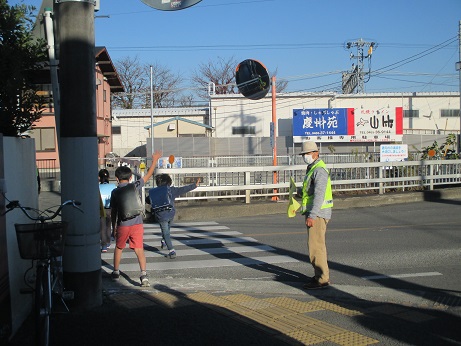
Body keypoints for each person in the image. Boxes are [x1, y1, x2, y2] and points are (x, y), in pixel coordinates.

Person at [110, 151, 162, 287]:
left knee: (119, 247)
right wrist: (155, 160)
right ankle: (144, 275)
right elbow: (149, 174)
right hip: (137, 223)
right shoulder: (136, 186)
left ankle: (116, 271)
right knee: (139, 249)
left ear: (116, 178)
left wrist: (113, 227)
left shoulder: (114, 192)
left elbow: (114, 211)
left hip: (123, 224)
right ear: (131, 177)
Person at [298, 141, 333, 289]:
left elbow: (319, 195)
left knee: (316, 247)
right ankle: (319, 275)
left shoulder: (319, 170)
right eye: (303, 154)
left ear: (316, 153)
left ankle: (322, 278)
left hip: (318, 214)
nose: (305, 156)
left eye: (307, 154)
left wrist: (312, 215)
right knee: (315, 246)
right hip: (315, 212)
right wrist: (299, 192)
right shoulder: (312, 168)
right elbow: (310, 191)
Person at [152, 174, 200, 259]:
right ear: (168, 182)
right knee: (167, 231)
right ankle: (168, 246)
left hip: (160, 216)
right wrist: (194, 185)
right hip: (170, 214)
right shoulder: (171, 190)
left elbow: (148, 200)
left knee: (165, 232)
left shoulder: (154, 192)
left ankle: (168, 246)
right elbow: (183, 189)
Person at [98, 169, 116, 253]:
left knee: (102, 227)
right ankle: (108, 242)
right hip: (110, 208)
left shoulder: (97, 187)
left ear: (99, 178)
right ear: (108, 177)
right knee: (109, 226)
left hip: (100, 208)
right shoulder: (113, 186)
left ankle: (103, 245)